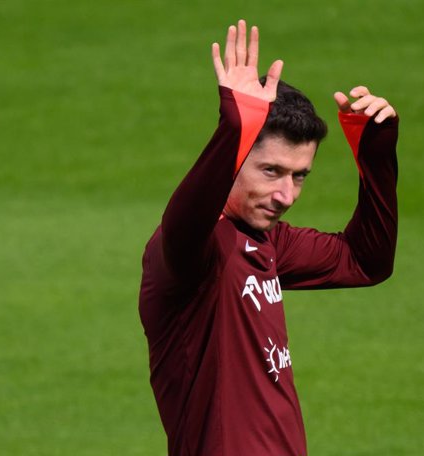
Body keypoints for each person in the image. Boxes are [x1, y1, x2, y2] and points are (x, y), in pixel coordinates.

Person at [138, 19, 399, 456]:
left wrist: (376, 156)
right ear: (237, 159)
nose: (286, 195)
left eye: (299, 177)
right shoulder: (191, 254)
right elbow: (185, 217)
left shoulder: (269, 242)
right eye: (271, 171)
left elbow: (366, 260)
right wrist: (234, 129)